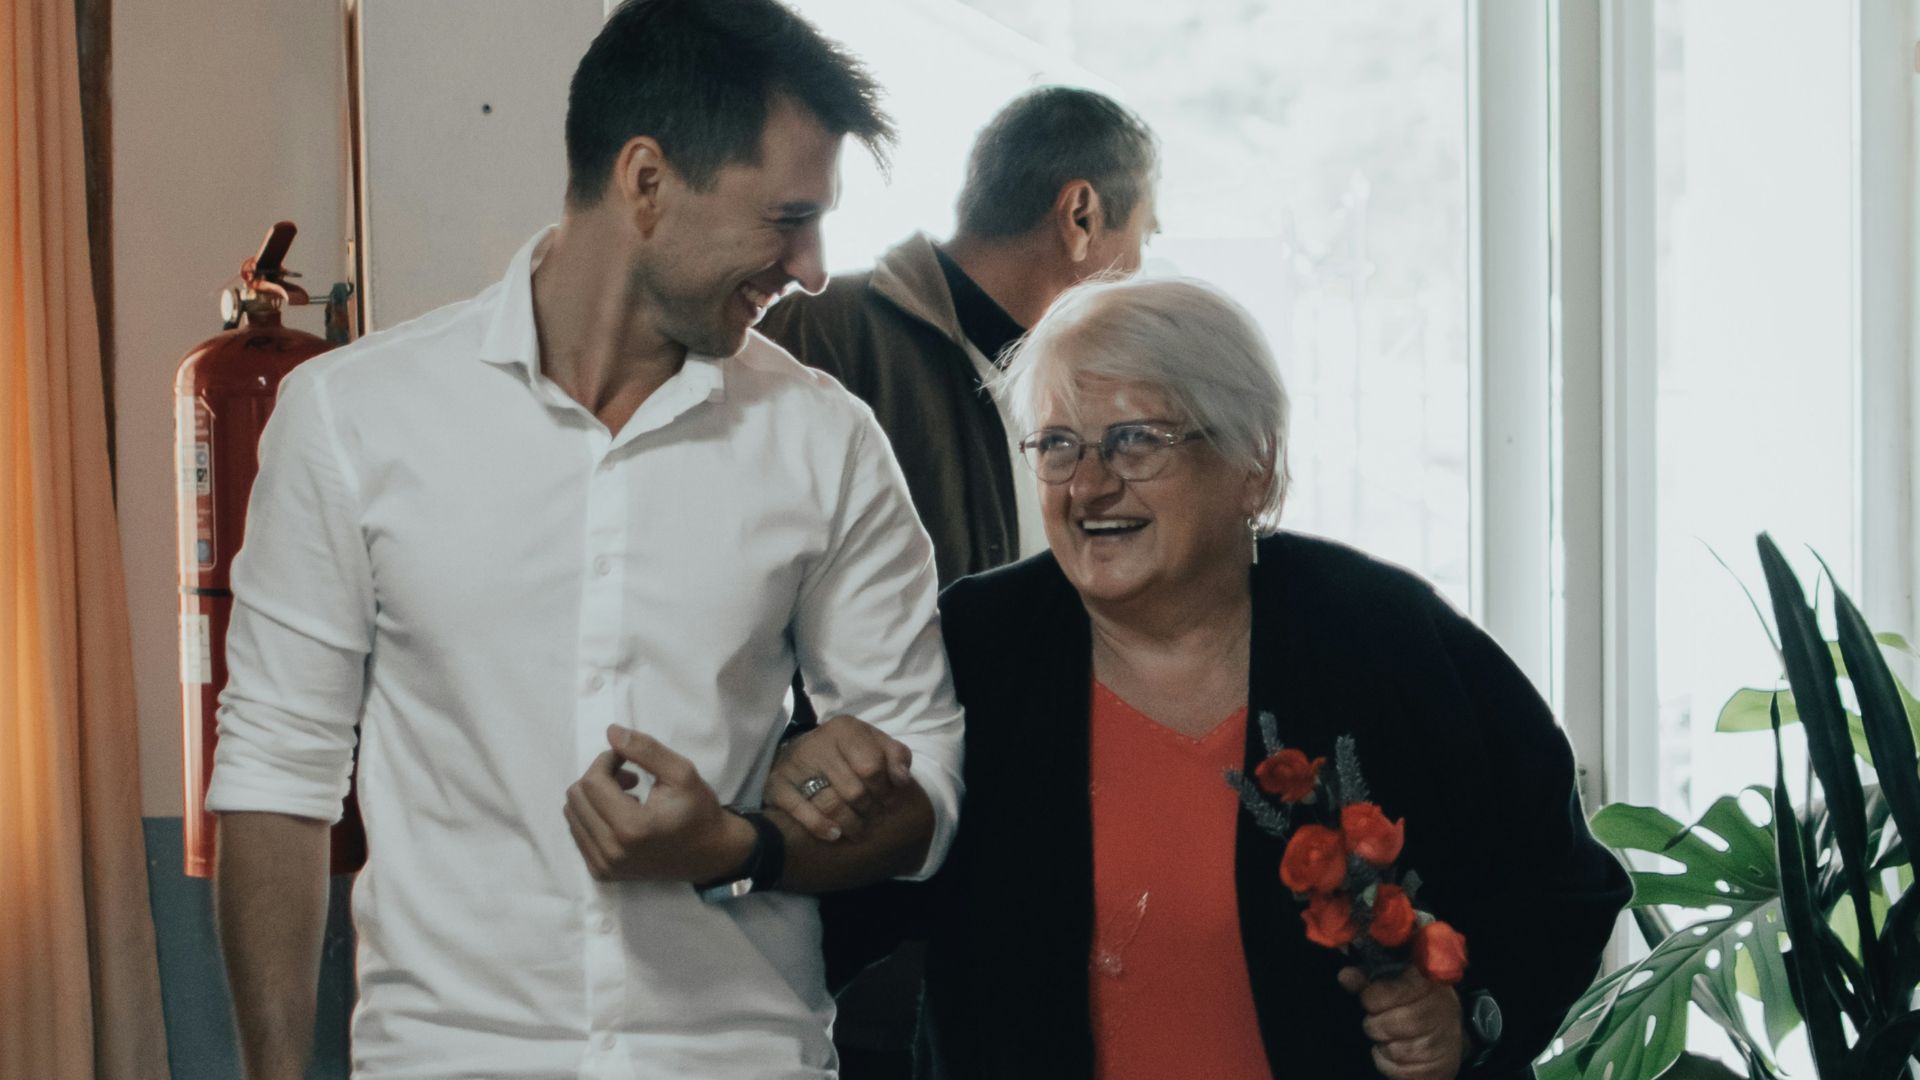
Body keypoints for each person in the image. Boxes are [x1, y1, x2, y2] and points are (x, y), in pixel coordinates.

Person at [206, 2, 962, 1078]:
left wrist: (742, 845)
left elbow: (928, 792)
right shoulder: (351, 419)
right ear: (646, 181)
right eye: (788, 218)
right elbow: (277, 776)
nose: (811, 267)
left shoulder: (827, 441)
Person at [771, 277, 1630, 1079]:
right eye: (1058, 445)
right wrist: (799, 783)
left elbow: (1563, 885)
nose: (1088, 486)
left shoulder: (1384, 637)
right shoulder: (977, 646)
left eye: (1136, 440)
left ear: (1253, 463)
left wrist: (1469, 1020)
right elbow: (825, 900)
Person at [758, 86, 1159, 584]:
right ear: (1081, 215)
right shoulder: (821, 332)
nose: (1141, 272)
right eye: (1145, 236)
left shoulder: (1071, 384)